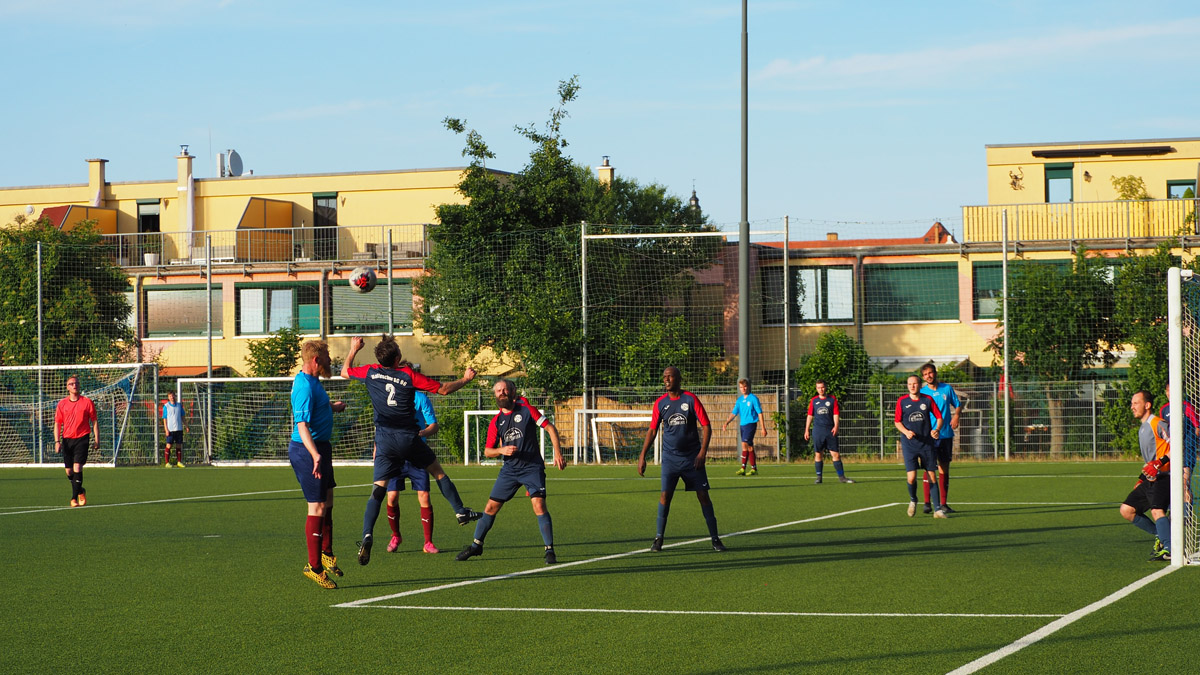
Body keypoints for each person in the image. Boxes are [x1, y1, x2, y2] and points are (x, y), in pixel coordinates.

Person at [342, 334, 482, 566]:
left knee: (378, 490)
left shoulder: (370, 372)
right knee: (437, 472)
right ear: (397, 358)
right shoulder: (407, 375)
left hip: (384, 440)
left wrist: (354, 349)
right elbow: (444, 389)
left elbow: (344, 371)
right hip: (408, 438)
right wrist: (466, 379)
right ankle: (460, 511)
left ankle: (367, 534)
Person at [456, 379, 566, 565]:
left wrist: (558, 452)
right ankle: (476, 546)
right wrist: (502, 450)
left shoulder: (526, 409)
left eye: (505, 390)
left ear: (512, 392)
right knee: (490, 508)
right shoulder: (496, 422)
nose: (502, 393)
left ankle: (549, 550)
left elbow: (549, 427)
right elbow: (487, 451)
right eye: (498, 391)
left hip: (532, 467)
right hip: (510, 470)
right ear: (495, 395)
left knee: (539, 505)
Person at [637, 366, 725, 552]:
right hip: (670, 459)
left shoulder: (690, 399)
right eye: (664, 377)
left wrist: (702, 453)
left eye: (670, 376)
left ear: (678, 379)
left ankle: (715, 539)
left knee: (703, 495)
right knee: (665, 496)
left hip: (692, 459)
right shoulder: (660, 403)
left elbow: (707, 426)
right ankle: (658, 538)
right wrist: (642, 455)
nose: (666, 379)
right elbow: (652, 430)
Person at [289, 340, 347, 589]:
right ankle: (314, 567)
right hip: (307, 451)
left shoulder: (313, 380)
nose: (330, 361)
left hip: (321, 448)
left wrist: (333, 407)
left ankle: (326, 552)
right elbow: (302, 425)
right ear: (316, 360)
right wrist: (314, 454)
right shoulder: (303, 386)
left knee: (328, 500)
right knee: (317, 506)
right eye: (327, 357)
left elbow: (317, 407)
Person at [383, 364, 442, 555]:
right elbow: (383, 424)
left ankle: (428, 542)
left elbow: (433, 425)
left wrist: (422, 433)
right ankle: (396, 535)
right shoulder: (391, 397)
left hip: (417, 453)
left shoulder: (421, 398)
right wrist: (378, 447)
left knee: (424, 495)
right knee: (392, 496)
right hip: (396, 454)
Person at [1119, 390, 1173, 562]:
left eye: (1136, 403)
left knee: (1157, 510)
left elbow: (1178, 444)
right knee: (1127, 510)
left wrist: (1160, 462)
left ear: (1147, 405)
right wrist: (1141, 479)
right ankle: (1161, 534)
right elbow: (1150, 462)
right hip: (1150, 478)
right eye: (1132, 403)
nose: (1132, 407)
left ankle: (1170, 549)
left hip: (1165, 476)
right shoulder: (1143, 428)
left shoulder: (1158, 423)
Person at [895, 375, 946, 518]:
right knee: (911, 477)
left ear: (919, 385)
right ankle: (913, 500)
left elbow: (939, 417)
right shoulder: (902, 401)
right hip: (909, 445)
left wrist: (936, 430)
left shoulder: (927, 400)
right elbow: (897, 421)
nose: (912, 386)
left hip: (926, 444)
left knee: (932, 475)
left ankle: (937, 509)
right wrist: (906, 432)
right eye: (909, 384)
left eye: (915, 383)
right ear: (907, 386)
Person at [920, 363, 962, 513]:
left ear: (935, 373)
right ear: (923, 377)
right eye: (925, 374)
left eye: (930, 373)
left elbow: (958, 404)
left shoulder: (947, 389)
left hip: (945, 434)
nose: (928, 376)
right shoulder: (922, 393)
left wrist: (956, 416)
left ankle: (943, 504)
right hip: (929, 436)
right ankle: (927, 503)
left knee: (944, 467)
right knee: (929, 467)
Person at [53, 375, 98, 508]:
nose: (74, 385)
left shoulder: (87, 402)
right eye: (71, 384)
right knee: (69, 471)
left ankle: (73, 499)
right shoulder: (62, 404)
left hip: (82, 438)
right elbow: (57, 423)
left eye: (76, 383)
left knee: (77, 467)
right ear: (67, 387)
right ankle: (80, 491)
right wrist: (57, 441)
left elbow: (94, 421)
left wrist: (97, 439)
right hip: (67, 440)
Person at [804, 380, 854, 484]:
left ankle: (842, 478)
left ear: (825, 387)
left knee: (836, 454)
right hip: (818, 431)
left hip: (830, 430)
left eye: (822, 387)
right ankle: (819, 478)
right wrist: (806, 430)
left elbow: (836, 414)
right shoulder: (814, 400)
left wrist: (836, 426)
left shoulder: (832, 399)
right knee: (818, 454)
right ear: (816, 389)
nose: (821, 389)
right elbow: (810, 415)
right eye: (818, 388)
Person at [1158, 383, 1196, 507]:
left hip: (1187, 450)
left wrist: (1190, 440)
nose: (1169, 393)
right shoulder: (1164, 409)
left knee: (1184, 483)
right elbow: (1163, 430)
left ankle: (1187, 514)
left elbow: (1197, 427)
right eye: (1167, 390)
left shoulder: (1187, 406)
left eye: (1172, 390)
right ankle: (1174, 511)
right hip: (1172, 452)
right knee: (1174, 484)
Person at [723, 379, 766, 476]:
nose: (743, 389)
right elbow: (734, 413)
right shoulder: (739, 400)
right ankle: (754, 469)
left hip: (751, 424)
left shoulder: (753, 398)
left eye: (745, 386)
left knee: (744, 444)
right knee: (749, 446)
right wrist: (727, 422)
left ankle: (743, 468)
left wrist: (763, 427)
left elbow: (760, 413)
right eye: (741, 387)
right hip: (742, 425)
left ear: (748, 387)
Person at [161, 390, 187, 468]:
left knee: (179, 445)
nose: (172, 397)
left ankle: (179, 462)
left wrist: (186, 425)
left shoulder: (179, 405)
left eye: (172, 396)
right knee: (169, 445)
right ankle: (167, 463)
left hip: (179, 429)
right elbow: (165, 419)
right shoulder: (166, 406)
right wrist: (166, 429)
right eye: (170, 396)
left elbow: (183, 417)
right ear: (168, 397)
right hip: (170, 429)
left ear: (175, 396)